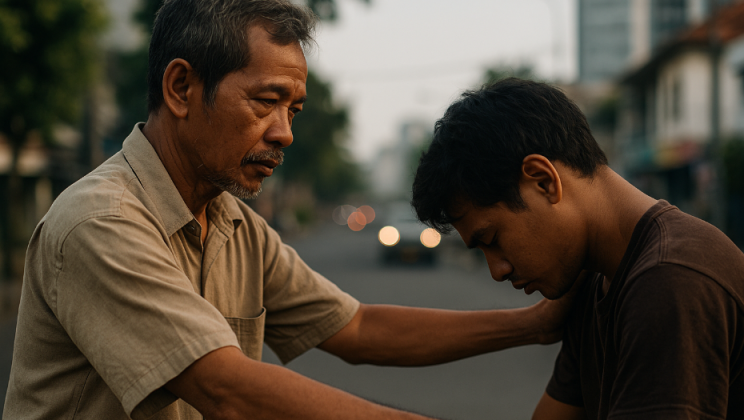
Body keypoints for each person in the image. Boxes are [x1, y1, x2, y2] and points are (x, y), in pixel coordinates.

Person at [2, 3, 572, 420]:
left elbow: (358, 328)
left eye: (294, 109)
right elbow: (228, 389)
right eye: (267, 101)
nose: (286, 134)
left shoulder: (235, 225)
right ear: (180, 87)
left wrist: (537, 325)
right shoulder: (100, 222)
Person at [411, 77, 744, 420]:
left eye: (492, 240)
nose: (497, 269)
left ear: (544, 180)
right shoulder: (595, 282)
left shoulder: (671, 279)